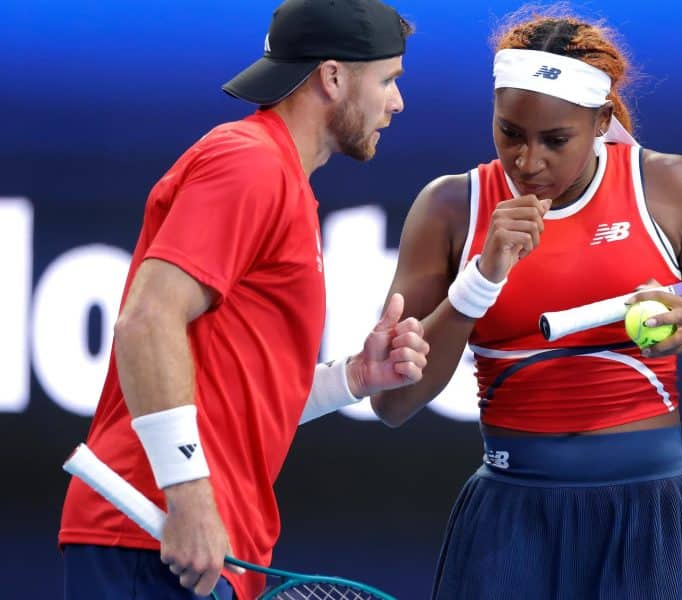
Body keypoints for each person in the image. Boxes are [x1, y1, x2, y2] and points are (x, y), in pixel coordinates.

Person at [370, 7, 682, 599]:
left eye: (555, 140)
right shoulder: (450, 208)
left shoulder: (673, 188)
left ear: (602, 120)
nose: (528, 162)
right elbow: (392, 401)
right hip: (508, 523)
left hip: (650, 520)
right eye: (510, 132)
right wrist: (480, 280)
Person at [58, 1, 427, 598]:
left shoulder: (283, 182)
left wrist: (352, 378)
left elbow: (238, 391)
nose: (396, 102)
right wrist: (187, 492)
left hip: (195, 541)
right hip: (150, 531)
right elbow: (147, 321)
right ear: (333, 77)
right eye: (387, 80)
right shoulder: (249, 162)